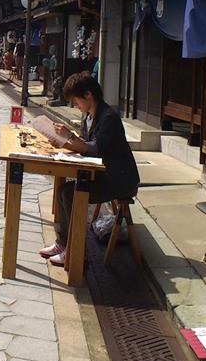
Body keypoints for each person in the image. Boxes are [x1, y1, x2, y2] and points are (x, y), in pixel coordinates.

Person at [39, 71, 140, 267]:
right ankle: (63, 244)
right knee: (63, 190)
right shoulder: (89, 116)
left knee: (70, 194)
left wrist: (70, 137)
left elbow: (94, 148)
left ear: (88, 95)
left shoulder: (109, 118)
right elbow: (85, 145)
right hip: (103, 174)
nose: (75, 105)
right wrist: (62, 141)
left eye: (76, 101)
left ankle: (76, 252)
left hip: (118, 180)